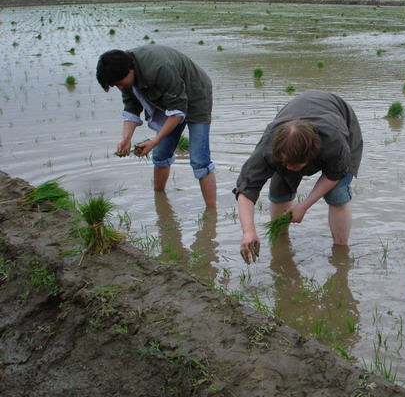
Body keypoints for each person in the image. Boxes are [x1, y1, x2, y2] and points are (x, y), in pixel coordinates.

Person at [233, 90, 363, 264]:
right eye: (284, 163)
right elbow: (246, 190)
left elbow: (334, 175)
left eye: (296, 165)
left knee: (336, 194)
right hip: (291, 132)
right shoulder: (267, 149)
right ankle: (280, 244)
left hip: (340, 120)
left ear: (312, 157)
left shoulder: (333, 143)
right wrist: (248, 231)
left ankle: (340, 252)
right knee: (280, 190)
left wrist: (304, 205)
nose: (289, 168)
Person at [96, 45, 216, 207]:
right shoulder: (125, 75)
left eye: (119, 83)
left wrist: (155, 140)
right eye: (115, 85)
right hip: (169, 99)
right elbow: (132, 107)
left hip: (196, 94)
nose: (119, 87)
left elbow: (177, 111)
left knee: (199, 160)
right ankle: (160, 202)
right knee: (160, 155)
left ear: (130, 71)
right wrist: (126, 139)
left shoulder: (159, 68)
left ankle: (211, 214)